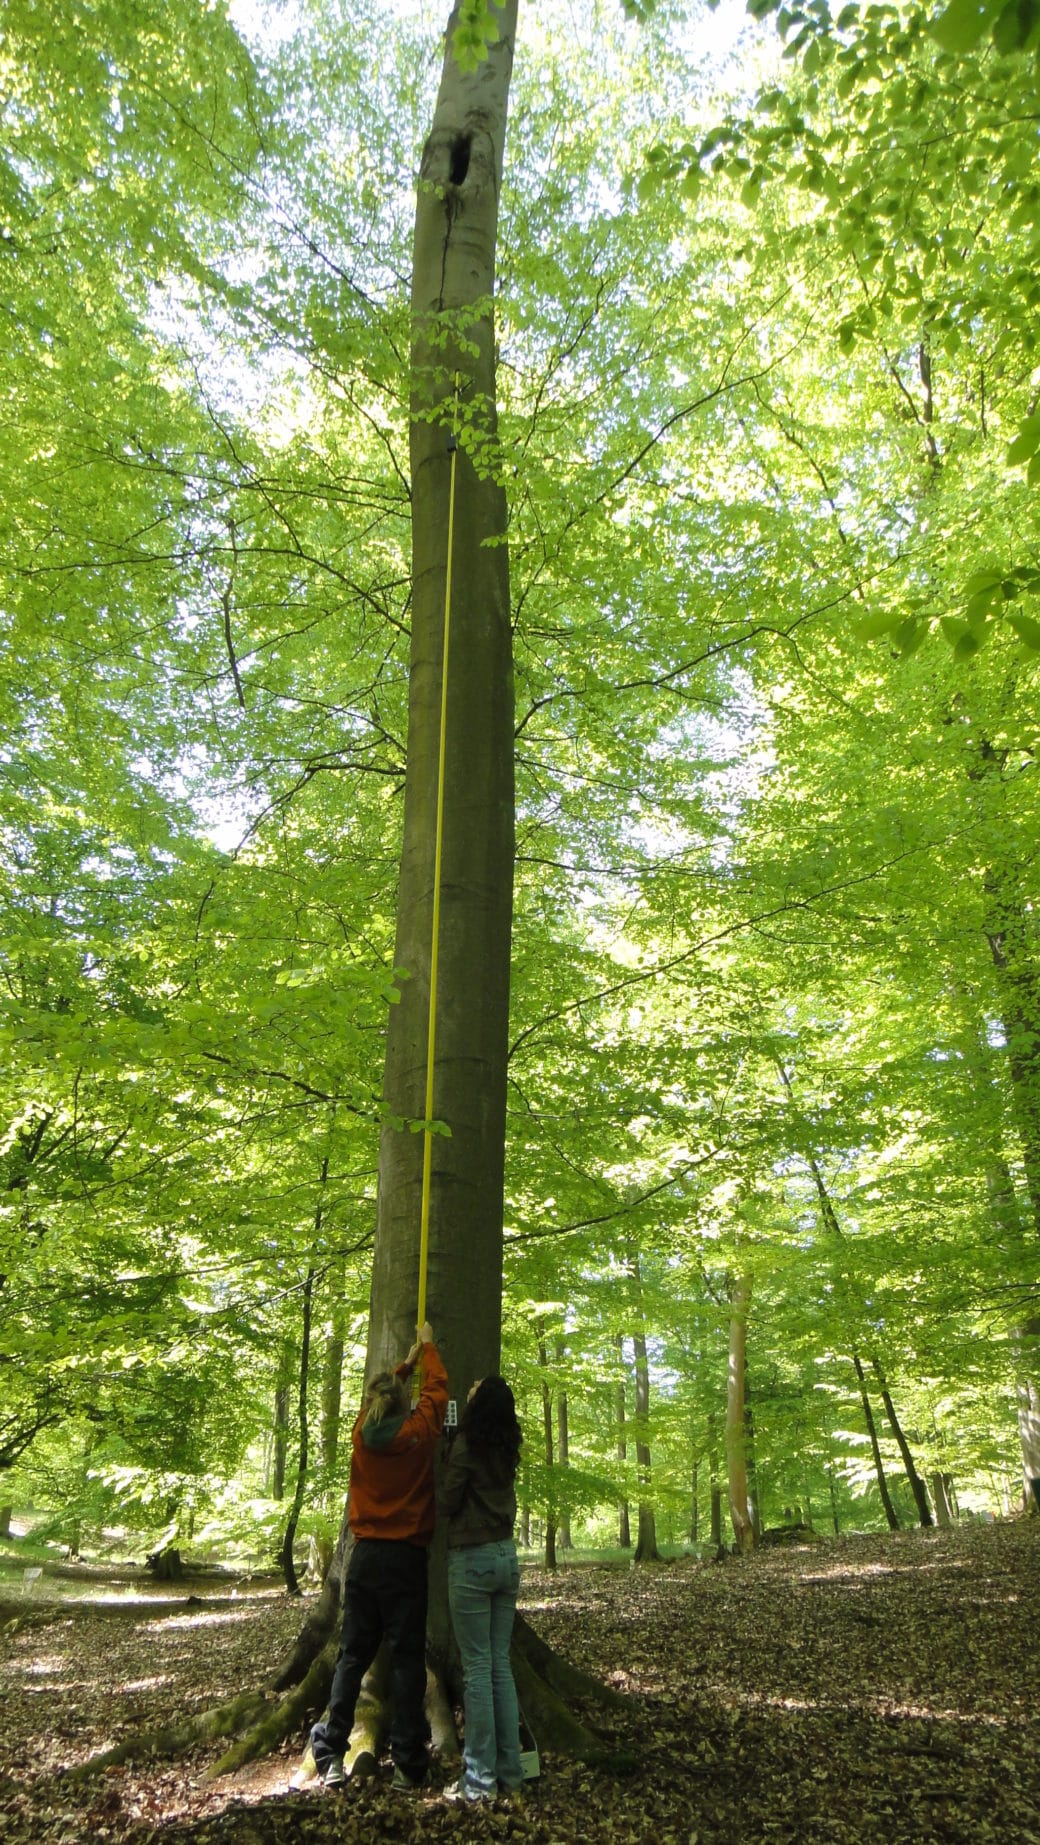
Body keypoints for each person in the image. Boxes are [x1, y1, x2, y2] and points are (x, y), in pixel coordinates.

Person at [309, 1320, 447, 1792]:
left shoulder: (361, 1437)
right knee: (406, 1660)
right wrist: (427, 1350)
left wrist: (403, 1366)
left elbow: (383, 1400)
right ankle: (409, 1764)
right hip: (405, 1560)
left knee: (352, 1658)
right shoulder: (418, 1434)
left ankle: (329, 1755)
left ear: (371, 1404)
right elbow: (438, 1394)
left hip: (366, 1561)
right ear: (402, 1402)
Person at [439, 1373, 525, 1802]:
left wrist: (445, 1456)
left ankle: (478, 1782)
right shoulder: (506, 1448)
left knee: (478, 1671)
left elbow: (446, 1502)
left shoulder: (467, 1447)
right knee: (499, 1668)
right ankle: (510, 1774)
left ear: (479, 1405)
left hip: (472, 1561)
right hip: (506, 1559)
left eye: (474, 1390)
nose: (468, 1389)